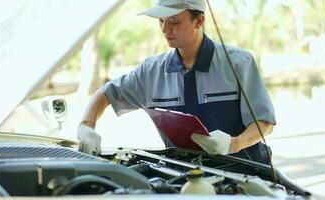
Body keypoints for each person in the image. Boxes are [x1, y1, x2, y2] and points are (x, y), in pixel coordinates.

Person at [77, 0, 276, 164]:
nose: (165, 29)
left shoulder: (239, 63)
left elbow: (265, 122)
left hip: (246, 174)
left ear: (199, 21)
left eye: (174, 21)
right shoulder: (151, 71)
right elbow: (104, 94)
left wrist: (234, 143)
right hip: (183, 175)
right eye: (161, 21)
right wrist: (86, 126)